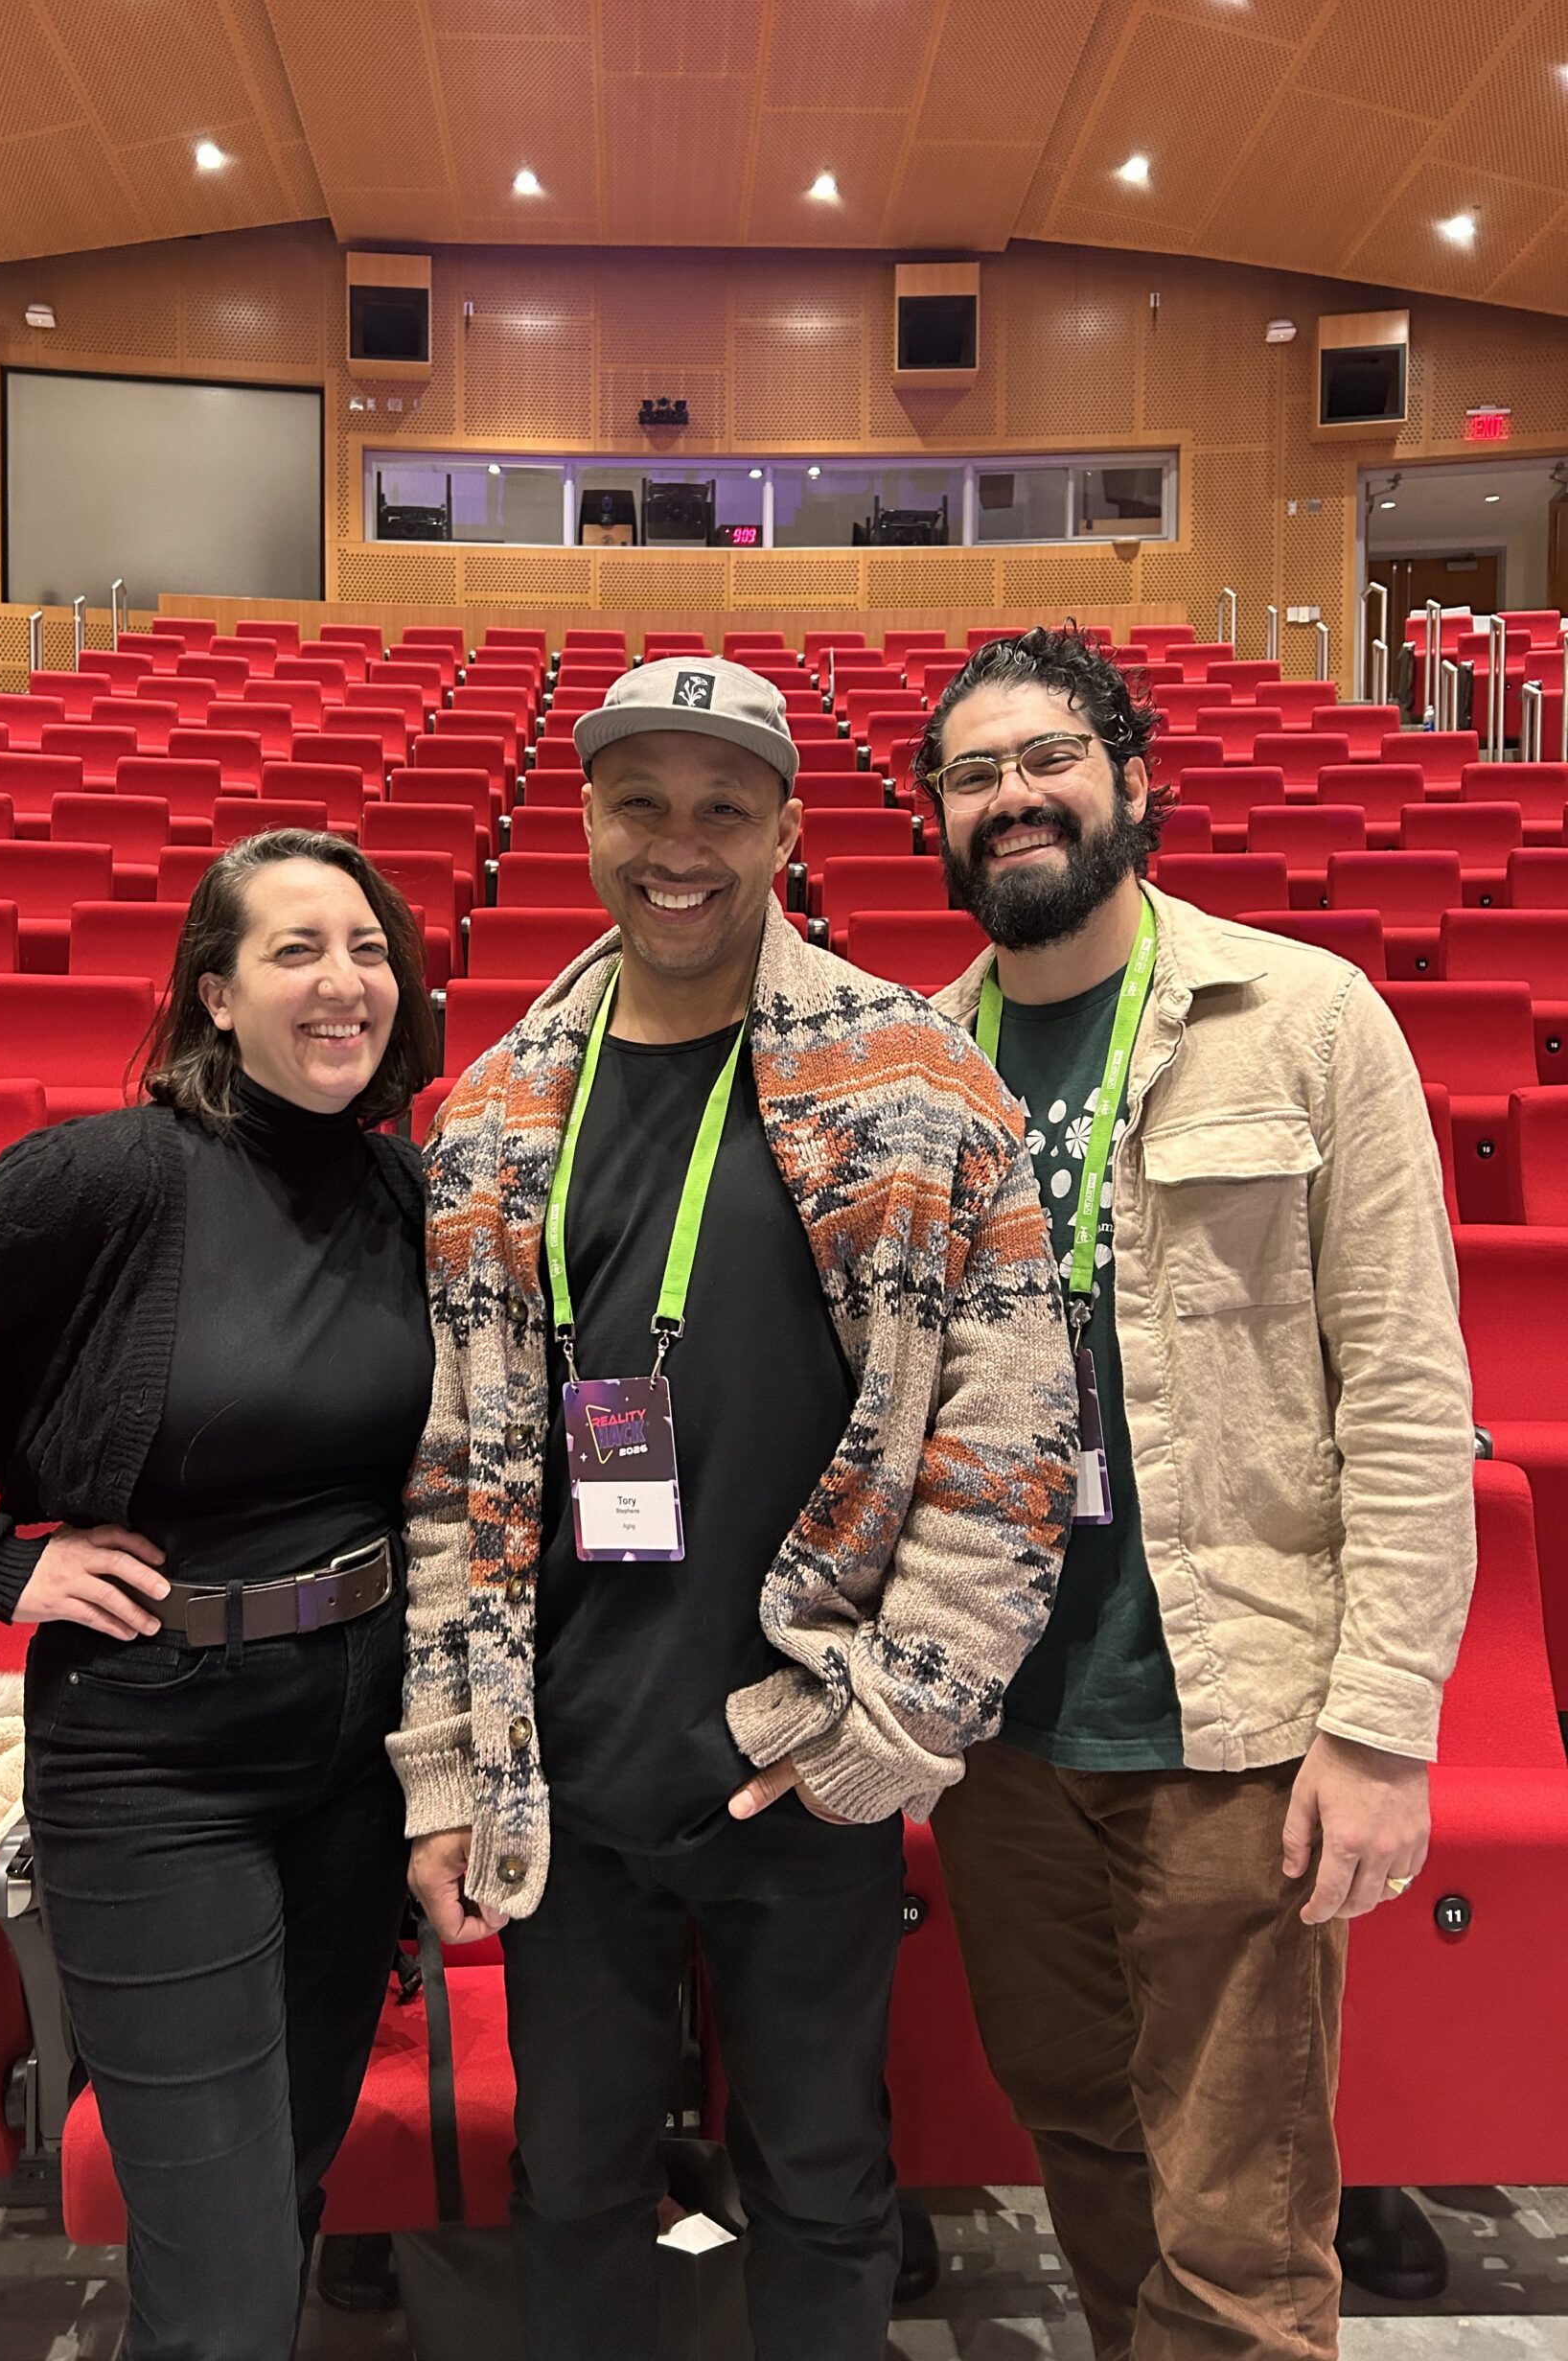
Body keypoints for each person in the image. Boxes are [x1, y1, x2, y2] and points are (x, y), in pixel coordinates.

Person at [391, 656, 1078, 2361]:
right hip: (564, 1763)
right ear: (586, 822)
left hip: (803, 1753)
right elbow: (454, 1471)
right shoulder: (496, 1111)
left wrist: (893, 1723)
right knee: (572, 2190)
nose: (678, 846)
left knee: (829, 2190)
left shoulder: (913, 1080)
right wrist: (453, 1761)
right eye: (642, 804)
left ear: (785, 832)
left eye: (722, 808)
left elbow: (1008, 1440)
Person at [0, 828, 440, 2361]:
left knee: (284, 2184)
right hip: (157, 1755)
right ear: (215, 992)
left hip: (357, 1751)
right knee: (218, 2271)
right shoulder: (111, 1173)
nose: (343, 982)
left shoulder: (402, 1189)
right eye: (294, 950)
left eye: (368, 949)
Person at [916, 629, 1477, 2361]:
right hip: (1001, 1727)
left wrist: (1381, 1727)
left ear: (1133, 779)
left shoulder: (1305, 1016)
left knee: (1241, 2223)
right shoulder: (915, 1063)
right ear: (941, 817)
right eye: (975, 774)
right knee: (1084, 2146)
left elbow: (1407, 1394)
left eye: (1049, 758)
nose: (1014, 797)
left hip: (1231, 1721)